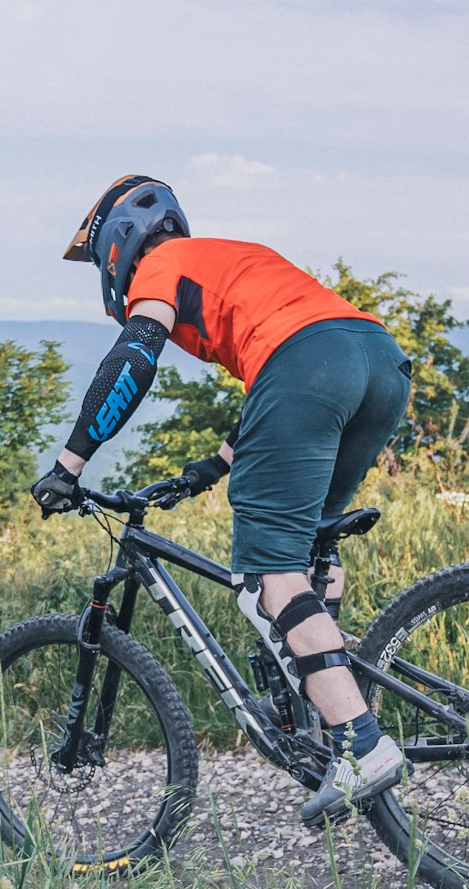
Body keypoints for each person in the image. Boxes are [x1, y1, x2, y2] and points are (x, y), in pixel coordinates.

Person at [31, 175, 414, 827]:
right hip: (377, 362)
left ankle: (358, 743)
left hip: (309, 365)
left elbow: (134, 359)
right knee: (313, 538)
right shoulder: (231, 256)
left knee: (270, 571)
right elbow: (290, 357)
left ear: (120, 244)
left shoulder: (161, 266)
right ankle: (324, 714)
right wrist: (216, 465)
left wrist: (69, 464)